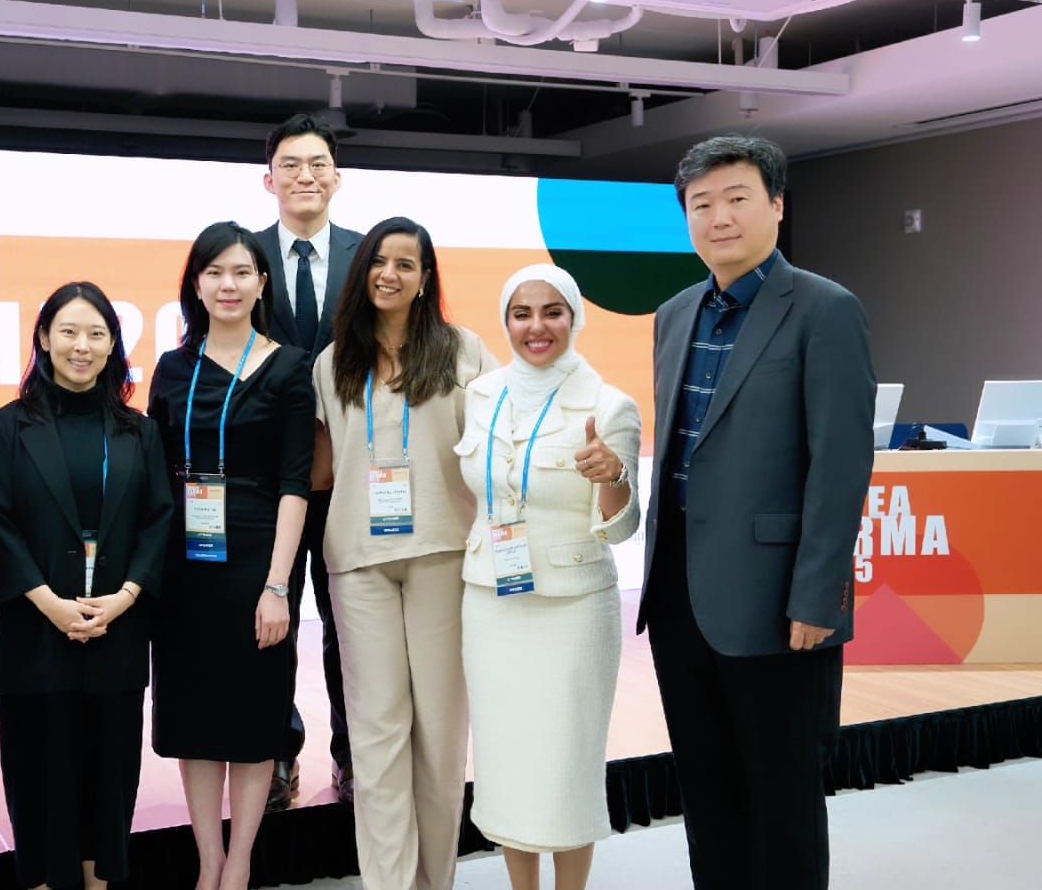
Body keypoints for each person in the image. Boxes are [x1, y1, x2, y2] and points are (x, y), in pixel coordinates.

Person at [639, 135, 876, 890]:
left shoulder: (825, 309)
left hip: (778, 601)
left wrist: (818, 595)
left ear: (776, 205)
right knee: (707, 790)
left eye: (737, 198)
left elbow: (841, 465)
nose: (719, 217)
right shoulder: (674, 314)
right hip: (679, 594)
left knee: (783, 796)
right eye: (701, 204)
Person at [312, 216, 497, 890]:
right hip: (358, 560)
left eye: (405, 264)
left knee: (441, 735)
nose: (389, 274)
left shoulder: (463, 351)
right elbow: (320, 471)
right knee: (376, 733)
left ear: (424, 279)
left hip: (444, 553)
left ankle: (433, 881)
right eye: (378, 261)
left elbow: (500, 445)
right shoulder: (333, 361)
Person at [456, 264, 641, 890]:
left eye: (552, 312)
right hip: (491, 602)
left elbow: (622, 528)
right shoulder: (481, 395)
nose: (537, 327)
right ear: (506, 322)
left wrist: (614, 477)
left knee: (566, 766)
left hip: (573, 608)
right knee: (506, 760)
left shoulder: (610, 406)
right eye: (522, 314)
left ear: (574, 318)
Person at [0, 282, 172, 890]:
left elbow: (159, 519)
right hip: (36, 630)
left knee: (109, 771)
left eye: (96, 333)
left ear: (113, 343)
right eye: (68, 331)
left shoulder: (139, 431)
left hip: (116, 627)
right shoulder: (8, 428)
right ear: (43, 339)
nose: (81, 346)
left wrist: (126, 597)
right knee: (38, 769)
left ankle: (100, 880)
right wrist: (48, 603)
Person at [148, 222, 315, 890]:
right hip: (183, 564)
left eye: (242, 271)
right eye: (215, 272)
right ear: (196, 284)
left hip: (256, 561)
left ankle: (240, 861)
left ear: (261, 283)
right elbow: (154, 475)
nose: (229, 284)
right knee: (194, 716)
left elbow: (296, 484)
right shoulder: (172, 368)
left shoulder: (289, 366)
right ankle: (208, 860)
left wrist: (278, 586)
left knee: (253, 714)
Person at [255, 113, 362, 810]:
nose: (305, 176)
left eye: (317, 163)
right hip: (269, 481)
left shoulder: (368, 256)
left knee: (352, 625)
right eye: (290, 164)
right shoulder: (243, 257)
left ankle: (354, 755)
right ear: (269, 181)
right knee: (272, 621)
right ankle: (277, 753)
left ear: (337, 178)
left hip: (353, 476)